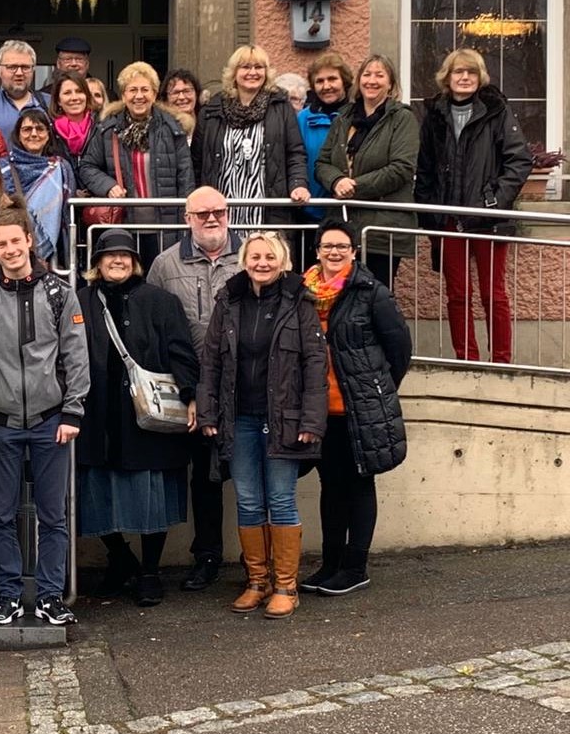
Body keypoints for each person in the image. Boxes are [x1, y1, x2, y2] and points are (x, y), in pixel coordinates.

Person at [0, 209, 90, 626]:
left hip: (50, 420)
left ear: (29, 241)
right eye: (0, 244)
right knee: (1, 516)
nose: (10, 249)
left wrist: (72, 411)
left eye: (15, 241)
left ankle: (50, 596)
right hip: (0, 423)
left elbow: (76, 355)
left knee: (53, 515)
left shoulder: (58, 293)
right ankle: (9, 596)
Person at [197, 231, 326, 619]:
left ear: (283, 262)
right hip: (239, 419)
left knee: (281, 499)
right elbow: (211, 362)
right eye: (255, 256)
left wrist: (311, 419)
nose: (262, 263)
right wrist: (208, 413)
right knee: (249, 501)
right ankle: (258, 582)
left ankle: (286, 586)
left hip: (284, 419)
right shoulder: (228, 300)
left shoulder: (299, 301)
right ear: (244, 261)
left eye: (270, 257)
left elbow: (315, 363)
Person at [76, 230, 198, 607]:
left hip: (148, 419)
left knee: (152, 497)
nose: (118, 260)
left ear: (135, 262)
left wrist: (191, 395)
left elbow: (181, 350)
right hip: (97, 415)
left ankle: (149, 571)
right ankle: (121, 559)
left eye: (125, 255)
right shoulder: (80, 301)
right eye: (109, 255)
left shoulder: (161, 301)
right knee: (93, 495)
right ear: (97, 262)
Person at [300, 220, 412, 596]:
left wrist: (377, 388)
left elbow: (399, 348)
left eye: (342, 246)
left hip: (359, 409)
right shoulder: (302, 293)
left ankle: (355, 567)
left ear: (354, 252)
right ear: (317, 251)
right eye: (327, 246)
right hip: (320, 411)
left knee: (360, 483)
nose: (334, 252)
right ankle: (331, 564)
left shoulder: (371, 292)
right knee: (330, 486)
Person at [146, 186, 243, 591]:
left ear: (228, 213)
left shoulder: (249, 256)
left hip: (241, 387)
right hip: (187, 387)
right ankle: (207, 557)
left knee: (247, 475)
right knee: (203, 477)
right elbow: (153, 326)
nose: (211, 219)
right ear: (187, 219)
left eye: (218, 211)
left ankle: (259, 561)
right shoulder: (165, 264)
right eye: (201, 213)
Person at [414, 47, 532, 364]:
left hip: (487, 219)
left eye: (471, 72)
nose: (464, 77)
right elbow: (424, 169)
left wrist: (494, 201)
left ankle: (501, 362)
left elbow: (519, 161)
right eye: (458, 71)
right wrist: (428, 214)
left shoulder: (496, 111)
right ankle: (466, 359)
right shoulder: (435, 115)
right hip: (448, 219)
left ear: (480, 77)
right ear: (447, 77)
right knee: (457, 295)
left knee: (493, 294)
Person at [314, 54, 420, 290]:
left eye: (379, 75)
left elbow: (401, 168)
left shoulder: (402, 118)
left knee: (374, 296)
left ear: (390, 84)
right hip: (344, 227)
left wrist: (354, 187)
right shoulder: (344, 118)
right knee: (338, 295)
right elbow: (322, 162)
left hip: (381, 230)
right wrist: (336, 180)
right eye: (367, 74)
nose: (372, 81)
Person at [79, 62, 195, 265]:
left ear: (154, 94)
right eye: (132, 90)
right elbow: (87, 166)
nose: (139, 96)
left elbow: (186, 178)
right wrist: (108, 186)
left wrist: (186, 223)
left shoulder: (172, 128)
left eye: (145, 90)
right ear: (123, 95)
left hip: (167, 227)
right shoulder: (108, 129)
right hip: (124, 226)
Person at [191, 45, 311, 227]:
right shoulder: (211, 111)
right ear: (234, 72)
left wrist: (298, 184)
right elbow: (197, 160)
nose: (252, 72)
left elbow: (295, 153)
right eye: (245, 67)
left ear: (266, 72)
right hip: (221, 209)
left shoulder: (281, 107)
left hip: (266, 208)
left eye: (258, 67)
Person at [8, 109, 76, 263]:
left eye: (39, 129)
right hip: (12, 242)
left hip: (52, 252)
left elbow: (65, 213)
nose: (33, 134)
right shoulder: (3, 167)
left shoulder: (61, 167)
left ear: (48, 134)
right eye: (27, 129)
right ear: (18, 134)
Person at [298, 53, 353, 218]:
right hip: (309, 209)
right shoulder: (302, 119)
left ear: (344, 81)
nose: (326, 86)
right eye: (319, 81)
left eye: (332, 79)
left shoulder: (358, 116)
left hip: (350, 209)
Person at [0, 40, 51, 146]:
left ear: (33, 70)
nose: (19, 73)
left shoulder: (50, 104)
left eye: (25, 67)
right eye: (12, 67)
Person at [49, 71, 99, 166]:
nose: (74, 98)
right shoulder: (49, 131)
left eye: (79, 91)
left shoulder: (101, 127)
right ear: (58, 100)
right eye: (67, 93)